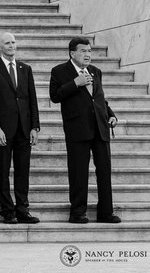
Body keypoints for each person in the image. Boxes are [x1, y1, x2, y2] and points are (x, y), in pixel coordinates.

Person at [49, 37, 121, 225]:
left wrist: (111, 114)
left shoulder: (96, 71)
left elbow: (99, 98)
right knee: (78, 172)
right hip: (77, 129)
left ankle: (106, 212)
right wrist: (76, 83)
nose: (87, 55)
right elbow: (55, 96)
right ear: (72, 53)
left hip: (100, 127)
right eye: (83, 51)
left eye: (89, 51)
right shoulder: (59, 71)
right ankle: (77, 213)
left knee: (104, 171)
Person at [0, 32, 41, 225]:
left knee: (23, 171)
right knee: (3, 170)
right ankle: (7, 210)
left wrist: (35, 127)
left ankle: (23, 209)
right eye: (7, 43)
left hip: (24, 129)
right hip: (3, 130)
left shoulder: (26, 68)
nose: (11, 45)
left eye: (13, 42)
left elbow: (32, 99)